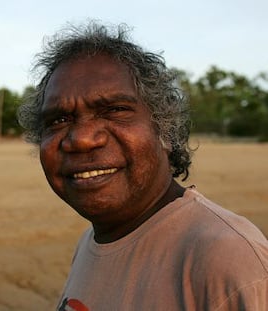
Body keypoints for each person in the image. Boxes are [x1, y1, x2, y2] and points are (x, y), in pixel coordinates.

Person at [17, 21, 268, 310]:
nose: (83, 139)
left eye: (115, 110)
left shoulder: (227, 259)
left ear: (165, 130)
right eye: (59, 120)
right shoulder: (92, 243)